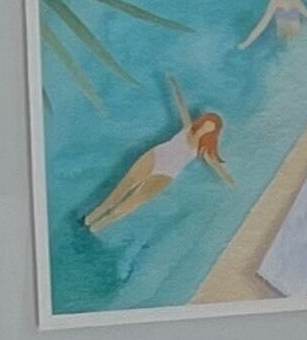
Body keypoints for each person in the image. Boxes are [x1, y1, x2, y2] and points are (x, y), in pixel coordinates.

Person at [85, 78, 233, 233]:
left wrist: (229, 180)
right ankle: (90, 218)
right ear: (202, 122)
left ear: (212, 133)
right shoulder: (188, 127)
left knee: (133, 203)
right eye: (205, 124)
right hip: (155, 157)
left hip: (167, 174)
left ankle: (98, 226)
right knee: (121, 190)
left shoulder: (202, 149)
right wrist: (175, 86)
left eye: (210, 128)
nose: (205, 129)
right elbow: (181, 105)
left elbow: (217, 166)